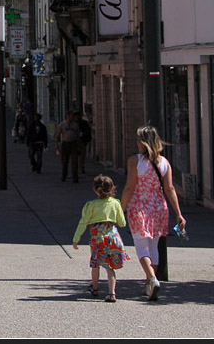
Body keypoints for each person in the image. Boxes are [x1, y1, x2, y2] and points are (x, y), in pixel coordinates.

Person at [120, 125, 187, 301]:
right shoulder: (164, 162)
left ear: (143, 142)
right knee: (154, 246)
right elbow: (170, 188)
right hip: (158, 207)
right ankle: (150, 283)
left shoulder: (135, 161)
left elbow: (130, 186)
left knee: (141, 246)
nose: (136, 143)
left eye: (138, 140)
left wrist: (121, 208)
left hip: (139, 206)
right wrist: (178, 213)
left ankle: (152, 279)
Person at [73, 175, 130, 303]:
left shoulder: (91, 205)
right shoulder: (116, 203)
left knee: (96, 264)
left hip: (98, 239)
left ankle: (95, 287)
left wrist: (76, 239)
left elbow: (83, 222)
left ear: (96, 190)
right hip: (113, 238)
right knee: (110, 266)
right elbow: (122, 223)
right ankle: (112, 292)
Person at [55, 111, 82, 183]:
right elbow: (57, 135)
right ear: (68, 116)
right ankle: (64, 176)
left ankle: (75, 177)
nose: (73, 118)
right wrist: (57, 147)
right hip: (65, 144)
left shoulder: (75, 125)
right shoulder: (62, 124)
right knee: (64, 161)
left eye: (73, 116)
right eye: (71, 116)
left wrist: (79, 147)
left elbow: (78, 136)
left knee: (74, 161)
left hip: (73, 144)